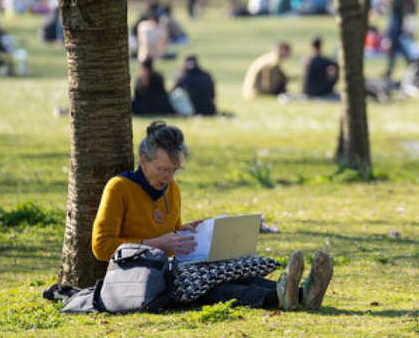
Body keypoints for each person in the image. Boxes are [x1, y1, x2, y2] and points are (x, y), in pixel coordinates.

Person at [92, 121, 334, 310]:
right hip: (142, 277)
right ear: (143, 162)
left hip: (172, 267)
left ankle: (299, 292)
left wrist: (185, 231)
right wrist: (157, 243)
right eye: (163, 169)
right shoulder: (119, 187)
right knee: (211, 288)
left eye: (173, 171)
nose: (169, 178)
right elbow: (101, 247)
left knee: (232, 272)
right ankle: (289, 295)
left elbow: (170, 231)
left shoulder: (171, 189)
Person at [380, 0, 415, 78]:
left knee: (394, 42)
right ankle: (407, 64)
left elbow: (402, 3)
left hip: (397, 17)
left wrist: (388, 1)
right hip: (392, 16)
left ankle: (405, 64)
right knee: (395, 43)